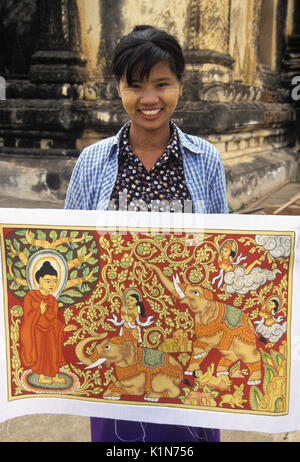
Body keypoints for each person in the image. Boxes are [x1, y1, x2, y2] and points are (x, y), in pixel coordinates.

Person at [65, 25, 228, 442]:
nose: (149, 99)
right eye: (134, 85)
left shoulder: (205, 159)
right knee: (120, 441)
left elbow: (222, 250)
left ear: (180, 84)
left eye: (161, 83)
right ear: (118, 87)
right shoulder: (93, 162)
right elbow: (69, 250)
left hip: (184, 341)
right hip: (115, 338)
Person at [20, 261, 76, 385]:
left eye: (55, 281)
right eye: (48, 281)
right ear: (39, 280)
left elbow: (53, 320)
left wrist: (63, 328)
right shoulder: (31, 297)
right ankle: (41, 376)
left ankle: (54, 375)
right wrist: (39, 311)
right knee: (42, 355)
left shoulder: (53, 300)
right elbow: (28, 319)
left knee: (53, 354)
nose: (52, 284)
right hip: (38, 332)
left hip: (51, 332)